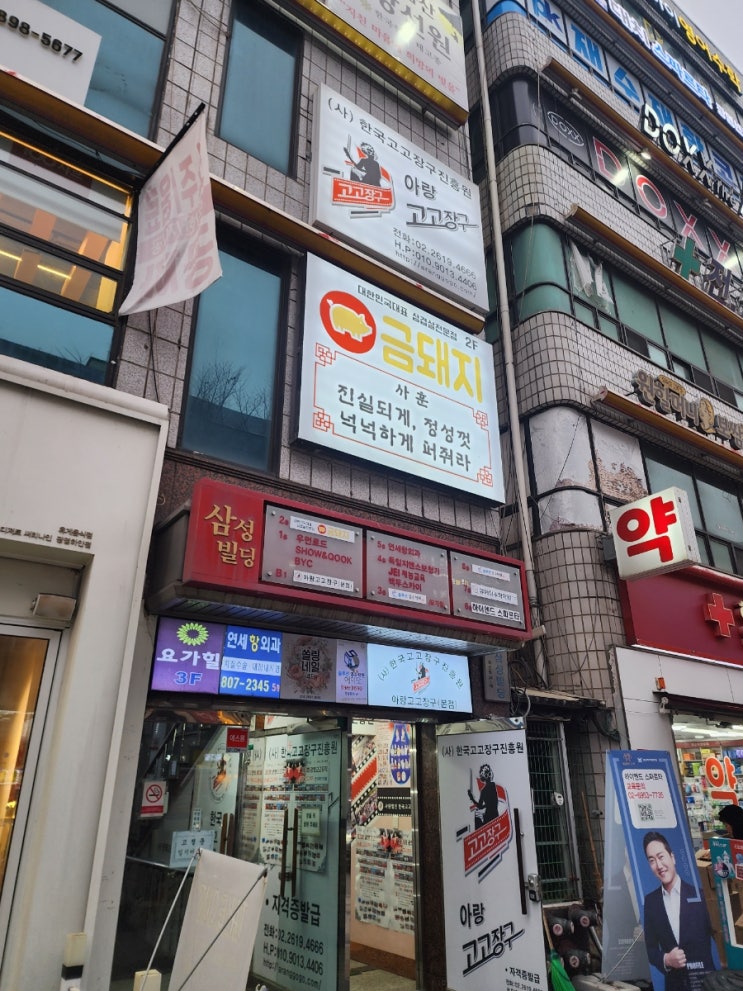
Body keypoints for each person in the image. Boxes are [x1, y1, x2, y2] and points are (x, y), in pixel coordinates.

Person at [642, 831, 717, 990]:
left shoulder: (700, 895)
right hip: (674, 985)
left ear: (673, 857)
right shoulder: (651, 901)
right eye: (652, 860)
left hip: (704, 982)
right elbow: (650, 949)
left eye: (661, 857)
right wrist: (666, 959)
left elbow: (719, 936)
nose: (659, 865)